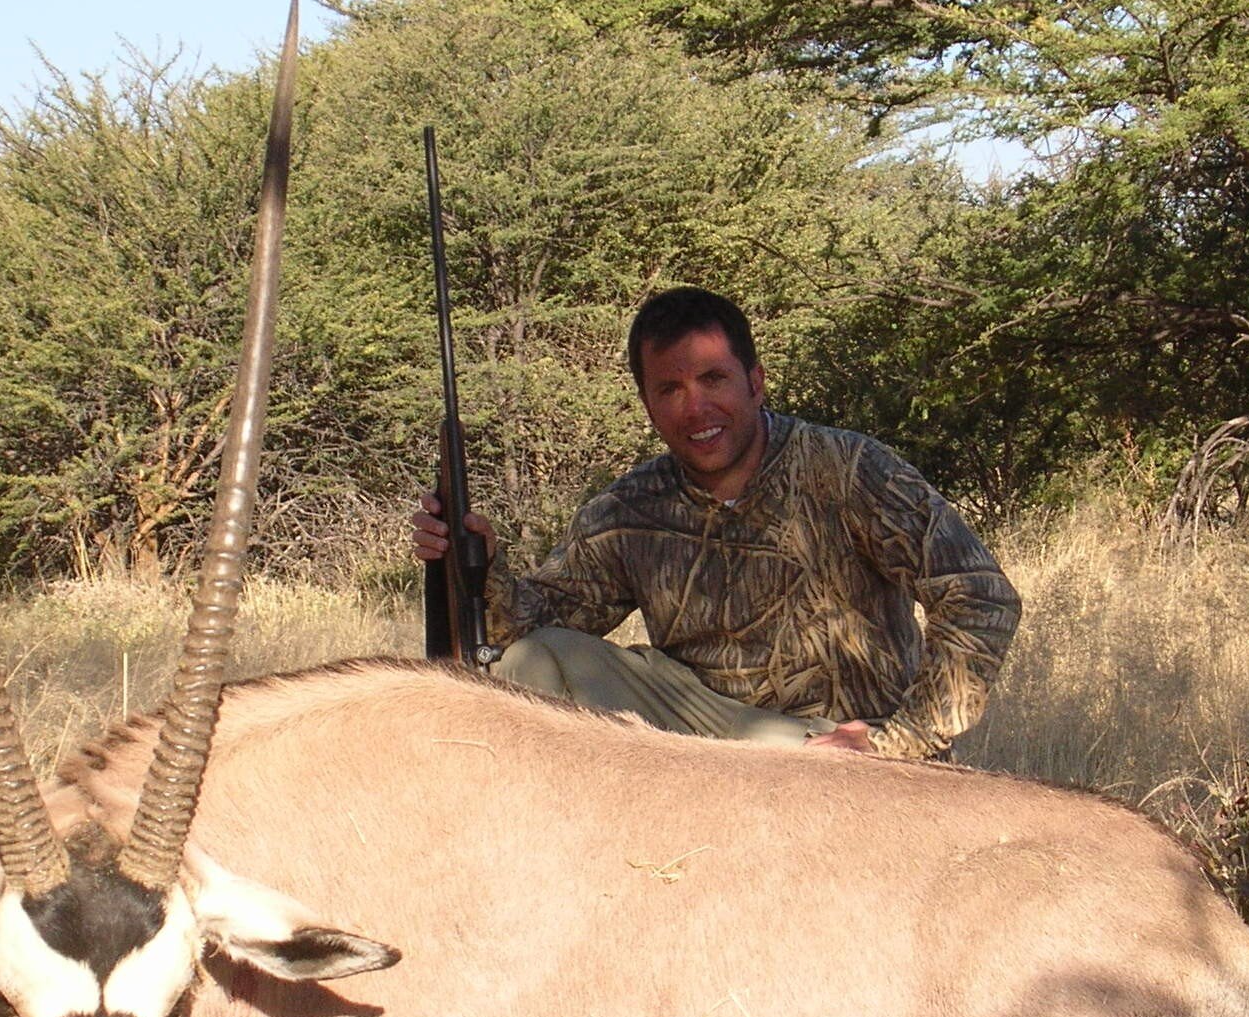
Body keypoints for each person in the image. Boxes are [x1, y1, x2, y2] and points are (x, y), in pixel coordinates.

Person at [410, 287, 1020, 760]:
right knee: (533, 662)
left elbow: (981, 597)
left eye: (713, 379)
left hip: (828, 748)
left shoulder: (849, 469)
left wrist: (898, 739)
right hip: (697, 741)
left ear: (755, 382)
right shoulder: (629, 509)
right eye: (670, 389)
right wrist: (476, 566)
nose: (695, 408)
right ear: (647, 404)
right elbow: (526, 630)